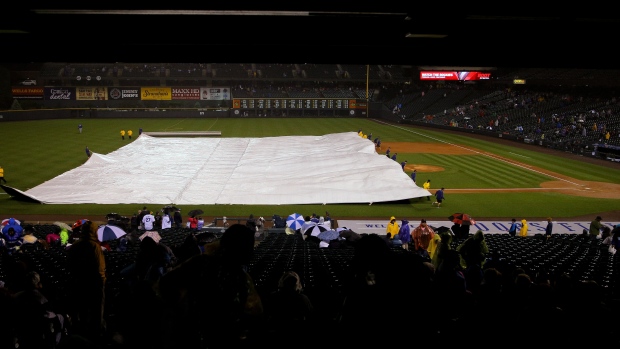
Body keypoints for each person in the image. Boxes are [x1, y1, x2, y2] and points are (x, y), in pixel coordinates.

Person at [65, 220, 106, 342]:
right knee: (96, 313)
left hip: (78, 283)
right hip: (93, 284)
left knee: (81, 311)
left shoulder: (76, 245)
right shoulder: (94, 246)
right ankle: (95, 336)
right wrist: (101, 283)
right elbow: (100, 269)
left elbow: (69, 265)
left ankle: (81, 334)